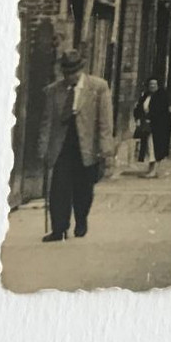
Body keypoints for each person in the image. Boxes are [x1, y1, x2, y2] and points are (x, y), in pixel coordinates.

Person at [37, 48, 113, 242]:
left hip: (86, 145)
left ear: (81, 69)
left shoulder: (98, 87)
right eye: (67, 73)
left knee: (83, 188)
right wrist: (43, 148)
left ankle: (81, 220)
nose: (70, 77)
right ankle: (59, 228)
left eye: (74, 73)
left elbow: (105, 122)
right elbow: (47, 121)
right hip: (62, 145)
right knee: (59, 188)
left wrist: (106, 150)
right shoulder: (53, 90)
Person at [133, 80, 162, 176]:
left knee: (154, 147)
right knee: (149, 147)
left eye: (154, 84)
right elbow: (140, 108)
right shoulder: (146, 96)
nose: (152, 86)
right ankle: (150, 168)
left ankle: (154, 170)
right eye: (150, 84)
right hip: (146, 125)